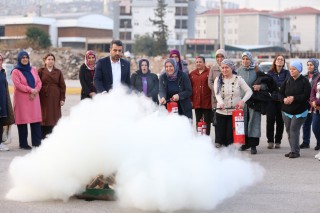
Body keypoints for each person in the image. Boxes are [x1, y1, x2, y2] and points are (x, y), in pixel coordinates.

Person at [214, 59, 252, 147]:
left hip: (234, 113)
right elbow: (217, 93)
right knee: (221, 139)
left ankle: (231, 157)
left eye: (226, 67)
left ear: (231, 68)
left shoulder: (238, 79)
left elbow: (249, 91)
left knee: (230, 139)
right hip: (221, 111)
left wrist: (242, 101)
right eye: (222, 68)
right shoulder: (218, 79)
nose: (224, 70)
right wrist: (221, 102)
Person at [280, 61, 311, 158]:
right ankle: (292, 150)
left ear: (299, 70)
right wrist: (284, 99)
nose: (292, 71)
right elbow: (280, 93)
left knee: (294, 129)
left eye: (294, 69)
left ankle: (295, 151)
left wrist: (294, 98)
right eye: (290, 69)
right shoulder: (288, 80)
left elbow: (306, 95)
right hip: (286, 111)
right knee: (289, 130)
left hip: (300, 111)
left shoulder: (304, 81)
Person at [11, 51, 42, 149]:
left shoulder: (33, 69)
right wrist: (31, 90)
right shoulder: (15, 71)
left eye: (26, 57)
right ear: (19, 59)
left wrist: (36, 90)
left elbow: (39, 82)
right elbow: (18, 85)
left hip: (34, 99)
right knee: (23, 121)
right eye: (23, 57)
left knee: (35, 121)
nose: (25, 59)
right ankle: (23, 143)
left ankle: (37, 142)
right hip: (22, 100)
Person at [237, 52, 263, 154]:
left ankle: (253, 145)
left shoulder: (257, 70)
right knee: (242, 122)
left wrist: (260, 87)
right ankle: (244, 144)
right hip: (242, 101)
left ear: (251, 60)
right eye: (243, 59)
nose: (245, 61)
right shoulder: (238, 71)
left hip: (255, 100)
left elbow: (265, 83)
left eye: (247, 59)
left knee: (254, 122)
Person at [38, 53, 66, 139]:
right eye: (49, 59)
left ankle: (53, 137)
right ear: (45, 61)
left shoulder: (58, 72)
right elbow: (37, 83)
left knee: (54, 116)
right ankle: (42, 137)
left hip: (55, 97)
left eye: (52, 59)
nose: (50, 61)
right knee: (44, 115)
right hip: (43, 97)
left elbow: (62, 86)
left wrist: (62, 98)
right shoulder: (41, 71)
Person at [266, 55, 290, 149]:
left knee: (280, 121)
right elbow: (268, 85)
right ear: (275, 62)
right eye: (278, 59)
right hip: (271, 100)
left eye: (282, 60)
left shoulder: (287, 73)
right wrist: (278, 88)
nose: (280, 61)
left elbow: (287, 84)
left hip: (282, 100)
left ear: (284, 63)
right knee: (270, 120)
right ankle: (270, 141)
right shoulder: (270, 73)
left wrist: (277, 87)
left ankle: (278, 141)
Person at [300, 58, 320, 150]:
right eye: (308, 65)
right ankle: (305, 142)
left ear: (315, 65)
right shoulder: (304, 77)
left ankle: (318, 143)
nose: (309, 66)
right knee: (305, 123)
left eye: (311, 65)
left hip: (316, 104)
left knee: (316, 125)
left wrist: (313, 101)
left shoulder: (319, 77)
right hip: (305, 104)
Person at [189, 56, 212, 135]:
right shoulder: (192, 74)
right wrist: (191, 100)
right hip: (197, 101)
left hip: (207, 102)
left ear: (204, 63)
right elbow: (190, 88)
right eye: (197, 62)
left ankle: (207, 139)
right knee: (198, 121)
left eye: (200, 62)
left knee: (207, 122)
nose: (198, 63)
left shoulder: (209, 72)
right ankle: (199, 139)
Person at [208, 49, 225, 145]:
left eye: (221, 56)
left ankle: (225, 140)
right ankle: (218, 141)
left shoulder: (229, 67)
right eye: (218, 57)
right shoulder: (213, 68)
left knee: (226, 119)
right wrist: (216, 90)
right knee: (216, 120)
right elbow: (209, 81)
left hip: (227, 97)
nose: (219, 59)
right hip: (215, 98)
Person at [0, 53, 14, 151]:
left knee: (1, 122)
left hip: (2, 101)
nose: (0, 61)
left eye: (1, 59)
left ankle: (0, 143)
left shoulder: (2, 72)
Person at [310, 75, 320, 160]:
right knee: (315, 128)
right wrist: (313, 101)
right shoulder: (318, 78)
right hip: (317, 109)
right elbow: (313, 91)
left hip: (317, 105)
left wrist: (316, 102)